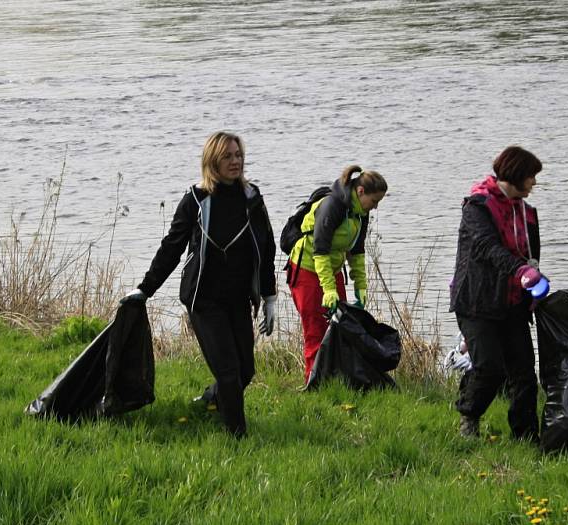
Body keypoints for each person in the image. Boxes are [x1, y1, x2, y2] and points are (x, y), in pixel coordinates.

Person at [121, 131, 277, 437]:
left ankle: (210, 400)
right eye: (227, 156)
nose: (235, 161)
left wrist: (269, 296)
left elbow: (266, 247)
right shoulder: (196, 199)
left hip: (238, 299)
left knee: (246, 371)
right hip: (203, 300)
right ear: (212, 161)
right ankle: (238, 437)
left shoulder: (252, 198)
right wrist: (145, 289)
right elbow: (172, 247)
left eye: (238, 155)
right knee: (229, 372)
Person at [449, 145, 545, 440]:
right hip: (476, 300)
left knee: (525, 374)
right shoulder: (477, 207)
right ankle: (469, 415)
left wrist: (534, 285)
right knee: (490, 368)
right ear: (516, 174)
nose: (534, 183)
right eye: (531, 176)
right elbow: (486, 248)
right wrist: (520, 271)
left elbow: (531, 256)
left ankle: (526, 436)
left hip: (513, 303)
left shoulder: (527, 213)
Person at [287, 165, 387, 382]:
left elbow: (357, 251)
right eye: (375, 201)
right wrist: (329, 290)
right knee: (316, 329)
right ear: (361, 192)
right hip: (306, 269)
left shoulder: (361, 213)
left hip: (331, 269)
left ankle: (336, 379)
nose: (376, 207)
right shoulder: (332, 206)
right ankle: (313, 383)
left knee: (339, 326)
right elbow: (320, 251)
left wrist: (361, 286)